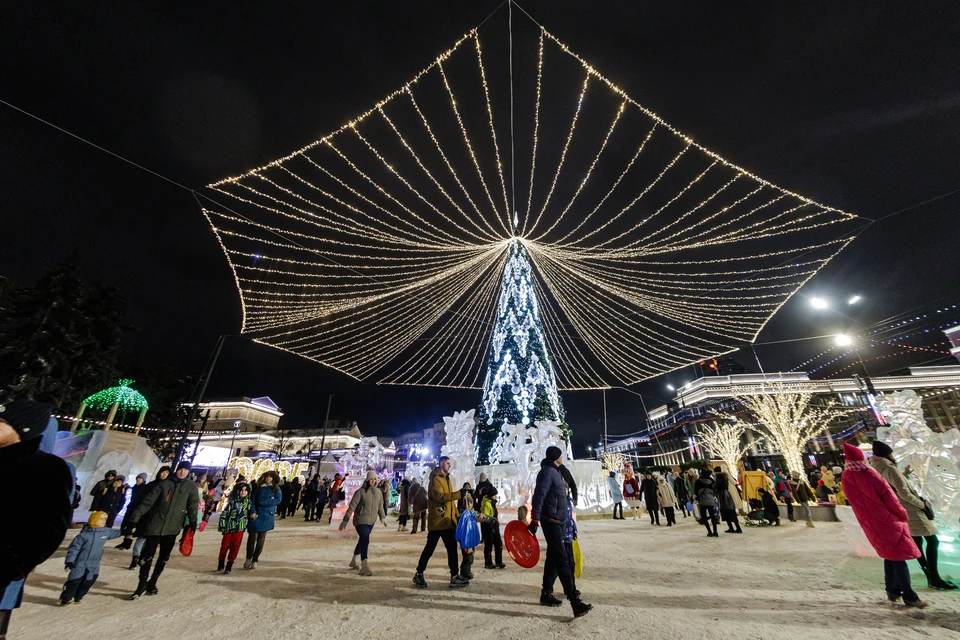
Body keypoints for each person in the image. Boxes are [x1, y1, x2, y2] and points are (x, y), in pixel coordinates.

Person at [0, 402, 72, 637]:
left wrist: (10, 567)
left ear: (23, 429)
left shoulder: (45, 468)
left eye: (1, 423)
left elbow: (47, 530)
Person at [841, 443, 927, 608]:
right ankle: (910, 597)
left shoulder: (846, 476)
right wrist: (902, 513)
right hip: (887, 520)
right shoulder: (870, 474)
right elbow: (890, 497)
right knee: (899, 558)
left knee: (890, 555)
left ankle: (892, 591)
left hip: (870, 523)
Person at [870, 441, 956, 591]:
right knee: (932, 540)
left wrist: (904, 475)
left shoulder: (878, 468)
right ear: (887, 454)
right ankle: (934, 577)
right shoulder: (890, 467)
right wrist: (921, 504)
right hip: (912, 509)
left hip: (901, 509)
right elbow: (903, 492)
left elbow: (893, 485)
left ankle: (930, 575)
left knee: (917, 542)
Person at [529, 446, 592, 618]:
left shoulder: (556, 472)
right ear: (556, 456)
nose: (562, 457)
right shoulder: (547, 472)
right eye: (560, 455)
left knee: (553, 559)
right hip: (550, 520)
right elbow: (538, 496)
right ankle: (575, 601)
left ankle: (546, 593)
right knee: (562, 559)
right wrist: (535, 519)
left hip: (558, 520)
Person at [127, 461, 199, 599]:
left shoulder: (191, 486)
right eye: (180, 469)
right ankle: (142, 583)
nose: (182, 472)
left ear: (189, 472)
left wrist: (193, 521)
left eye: (185, 470)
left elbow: (192, 504)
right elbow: (147, 502)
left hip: (173, 528)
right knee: (146, 556)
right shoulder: (164, 484)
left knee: (164, 557)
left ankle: (153, 581)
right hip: (155, 525)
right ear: (176, 470)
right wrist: (133, 519)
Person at [412, 457, 470, 589]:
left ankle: (454, 576)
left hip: (447, 521)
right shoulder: (435, 479)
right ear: (441, 463)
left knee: (452, 549)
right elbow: (440, 496)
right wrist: (458, 494)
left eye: (450, 463)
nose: (450, 465)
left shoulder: (447, 479)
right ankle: (419, 573)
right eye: (448, 463)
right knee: (430, 549)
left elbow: (450, 502)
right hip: (438, 521)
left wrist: (457, 515)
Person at [60, 511, 123, 605]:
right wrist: (69, 561)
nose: (104, 521)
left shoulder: (105, 531)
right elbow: (74, 549)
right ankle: (65, 599)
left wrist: (127, 530)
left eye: (105, 519)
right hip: (80, 564)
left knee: (88, 582)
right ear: (93, 521)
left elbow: (117, 533)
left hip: (94, 565)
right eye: (101, 519)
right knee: (73, 582)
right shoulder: (84, 535)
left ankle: (78, 597)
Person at [340, 470, 387, 576]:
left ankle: (353, 561)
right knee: (366, 539)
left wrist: (382, 517)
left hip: (371, 521)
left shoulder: (378, 493)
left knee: (362, 540)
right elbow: (352, 506)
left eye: (375, 479)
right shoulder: (360, 492)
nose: (373, 481)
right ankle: (364, 566)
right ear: (367, 480)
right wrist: (346, 519)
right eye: (371, 479)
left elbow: (380, 507)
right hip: (360, 520)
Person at [127, 467, 171, 570]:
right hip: (146, 515)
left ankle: (143, 557)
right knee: (141, 537)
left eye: (166, 473)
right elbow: (142, 501)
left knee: (151, 540)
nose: (163, 475)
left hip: (158, 518)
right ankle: (135, 558)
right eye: (162, 472)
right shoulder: (150, 485)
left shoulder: (169, 488)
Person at [245, 470, 283, 569]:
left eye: (270, 477)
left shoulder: (276, 488)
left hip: (267, 515)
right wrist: (252, 511)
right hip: (256, 514)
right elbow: (252, 500)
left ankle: (255, 559)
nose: (268, 479)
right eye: (266, 477)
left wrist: (264, 502)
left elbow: (278, 500)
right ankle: (248, 557)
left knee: (261, 539)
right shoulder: (258, 487)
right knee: (252, 538)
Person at [217, 482, 253, 574]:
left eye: (245, 491)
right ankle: (221, 561)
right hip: (229, 527)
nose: (243, 492)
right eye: (241, 490)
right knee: (224, 546)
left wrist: (254, 517)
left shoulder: (249, 503)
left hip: (240, 529)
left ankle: (230, 564)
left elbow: (251, 514)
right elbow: (225, 513)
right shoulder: (233, 501)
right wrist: (222, 525)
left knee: (235, 547)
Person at [117, 474, 149, 550]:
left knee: (131, 527)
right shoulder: (135, 487)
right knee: (127, 525)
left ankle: (127, 544)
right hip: (131, 507)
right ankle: (125, 542)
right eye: (137, 478)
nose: (138, 479)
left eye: (140, 478)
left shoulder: (144, 488)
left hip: (136, 509)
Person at [480, 487, 505, 569]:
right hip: (488, 527)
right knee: (488, 545)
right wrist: (491, 525)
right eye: (494, 495)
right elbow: (485, 517)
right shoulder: (486, 504)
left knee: (499, 544)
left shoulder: (493, 503)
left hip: (495, 526)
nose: (495, 496)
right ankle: (488, 562)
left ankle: (499, 562)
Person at [714, 467, 742, 533]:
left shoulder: (718, 477)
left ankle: (731, 528)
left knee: (725, 511)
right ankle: (738, 527)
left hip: (722, 496)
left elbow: (717, 487)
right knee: (731, 511)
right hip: (728, 495)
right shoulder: (725, 476)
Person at [694, 468, 719, 537]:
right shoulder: (711, 481)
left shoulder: (698, 482)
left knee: (704, 517)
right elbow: (714, 490)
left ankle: (709, 531)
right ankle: (715, 531)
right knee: (712, 515)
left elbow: (696, 492)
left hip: (702, 501)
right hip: (710, 500)